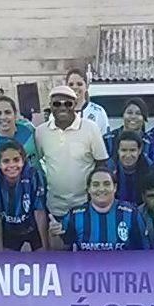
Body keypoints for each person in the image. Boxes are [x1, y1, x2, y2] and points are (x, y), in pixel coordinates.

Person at [35, 85, 109, 217]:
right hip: (54, 207)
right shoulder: (41, 132)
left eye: (68, 104)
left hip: (85, 206)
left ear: (75, 105)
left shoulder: (91, 128)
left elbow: (101, 164)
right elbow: (37, 163)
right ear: (50, 106)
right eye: (57, 104)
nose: (62, 107)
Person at [49, 168, 148, 251]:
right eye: (96, 185)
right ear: (88, 189)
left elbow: (143, 251)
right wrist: (54, 235)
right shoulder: (75, 215)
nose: (101, 189)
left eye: (106, 184)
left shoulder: (131, 214)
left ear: (115, 187)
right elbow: (60, 250)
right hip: (85, 272)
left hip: (122, 272)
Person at [0, 143, 48, 252]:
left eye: (16, 160)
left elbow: (39, 212)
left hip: (33, 226)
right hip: (10, 228)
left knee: (43, 258)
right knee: (5, 262)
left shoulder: (33, 175)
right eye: (6, 161)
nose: (11, 165)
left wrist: (46, 248)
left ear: (23, 161)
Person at [0, 95, 39, 175]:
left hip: (39, 184)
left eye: (7, 112)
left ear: (15, 114)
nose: (3, 117)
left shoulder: (28, 128)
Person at [108, 130, 153, 205]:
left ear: (139, 150)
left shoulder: (150, 167)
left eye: (132, 150)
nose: (128, 155)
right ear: (118, 150)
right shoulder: (109, 168)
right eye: (124, 150)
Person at [66, 68, 109, 136]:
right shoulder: (58, 113)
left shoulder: (98, 112)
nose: (75, 87)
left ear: (87, 86)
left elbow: (106, 142)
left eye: (79, 84)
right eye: (71, 84)